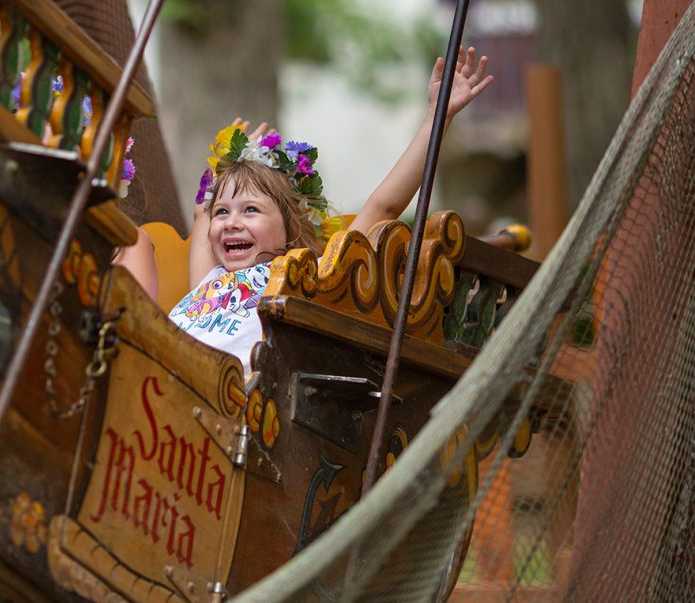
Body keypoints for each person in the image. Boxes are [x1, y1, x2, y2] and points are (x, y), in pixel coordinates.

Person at [119, 47, 493, 383]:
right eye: (223, 212)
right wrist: (226, 162)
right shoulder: (208, 279)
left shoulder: (308, 278)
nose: (231, 221)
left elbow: (384, 207)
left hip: (215, 412)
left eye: (250, 210)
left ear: (290, 227)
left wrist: (437, 117)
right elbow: (204, 214)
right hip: (157, 382)